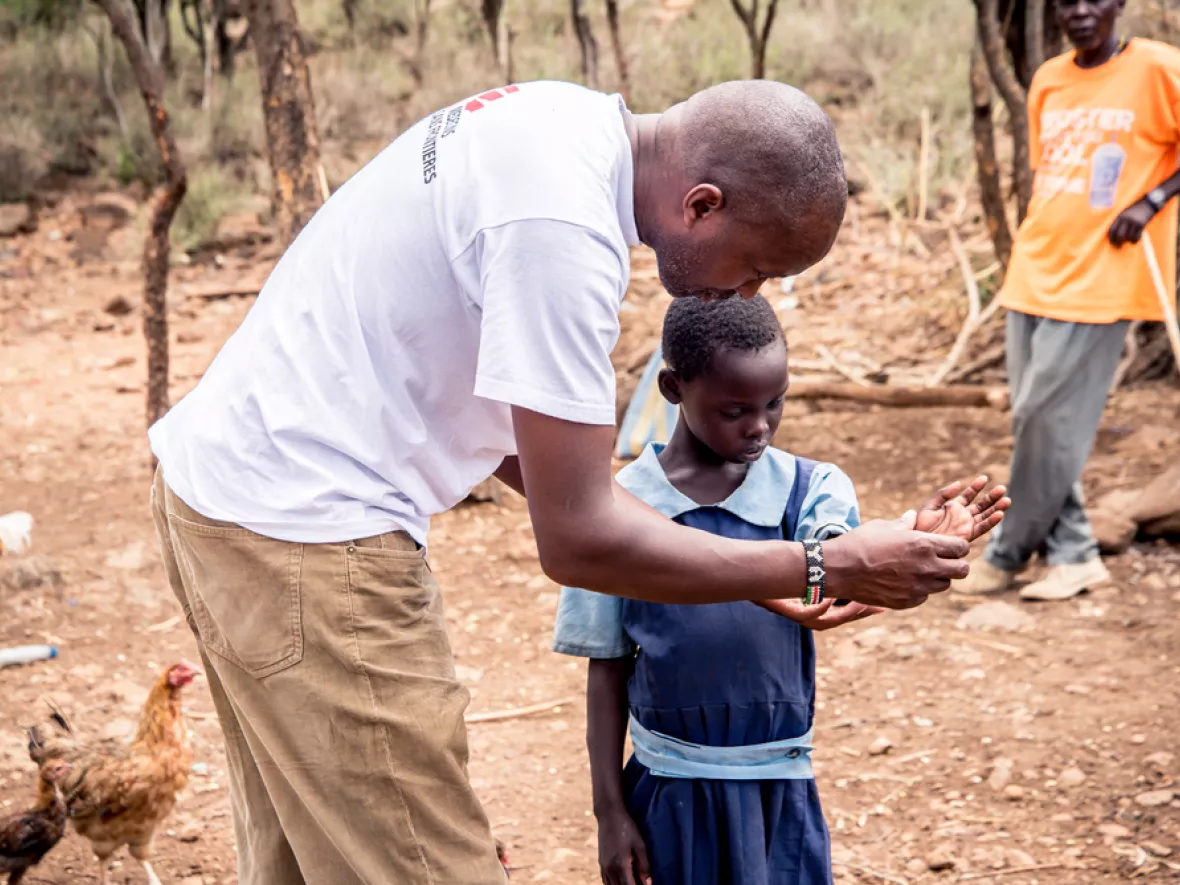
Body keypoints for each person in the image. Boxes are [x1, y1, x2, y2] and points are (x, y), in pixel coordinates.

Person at [148, 78, 993, 885]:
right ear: (701, 204)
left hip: (229, 502)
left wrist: (766, 578)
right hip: (308, 540)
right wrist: (821, 566)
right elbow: (579, 536)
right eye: (756, 266)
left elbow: (543, 456)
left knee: (311, 856)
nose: (747, 292)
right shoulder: (561, 232)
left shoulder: (559, 124)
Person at [552, 295, 1008, 885]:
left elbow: (836, 574)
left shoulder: (809, 491)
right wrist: (609, 813)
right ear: (672, 388)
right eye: (735, 409)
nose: (760, 425)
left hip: (780, 792)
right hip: (668, 794)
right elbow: (606, 671)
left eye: (775, 402)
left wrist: (905, 541)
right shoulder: (617, 515)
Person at [955, 0, 1180, 601]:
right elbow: (1048, 173)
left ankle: (1006, 554)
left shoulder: (1158, 67)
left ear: (1120, 5)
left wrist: (1152, 201)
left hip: (1101, 276)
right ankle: (1076, 553)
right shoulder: (1049, 79)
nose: (1079, 11)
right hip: (1036, 267)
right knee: (1042, 426)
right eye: (1065, 2)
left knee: (1039, 418)